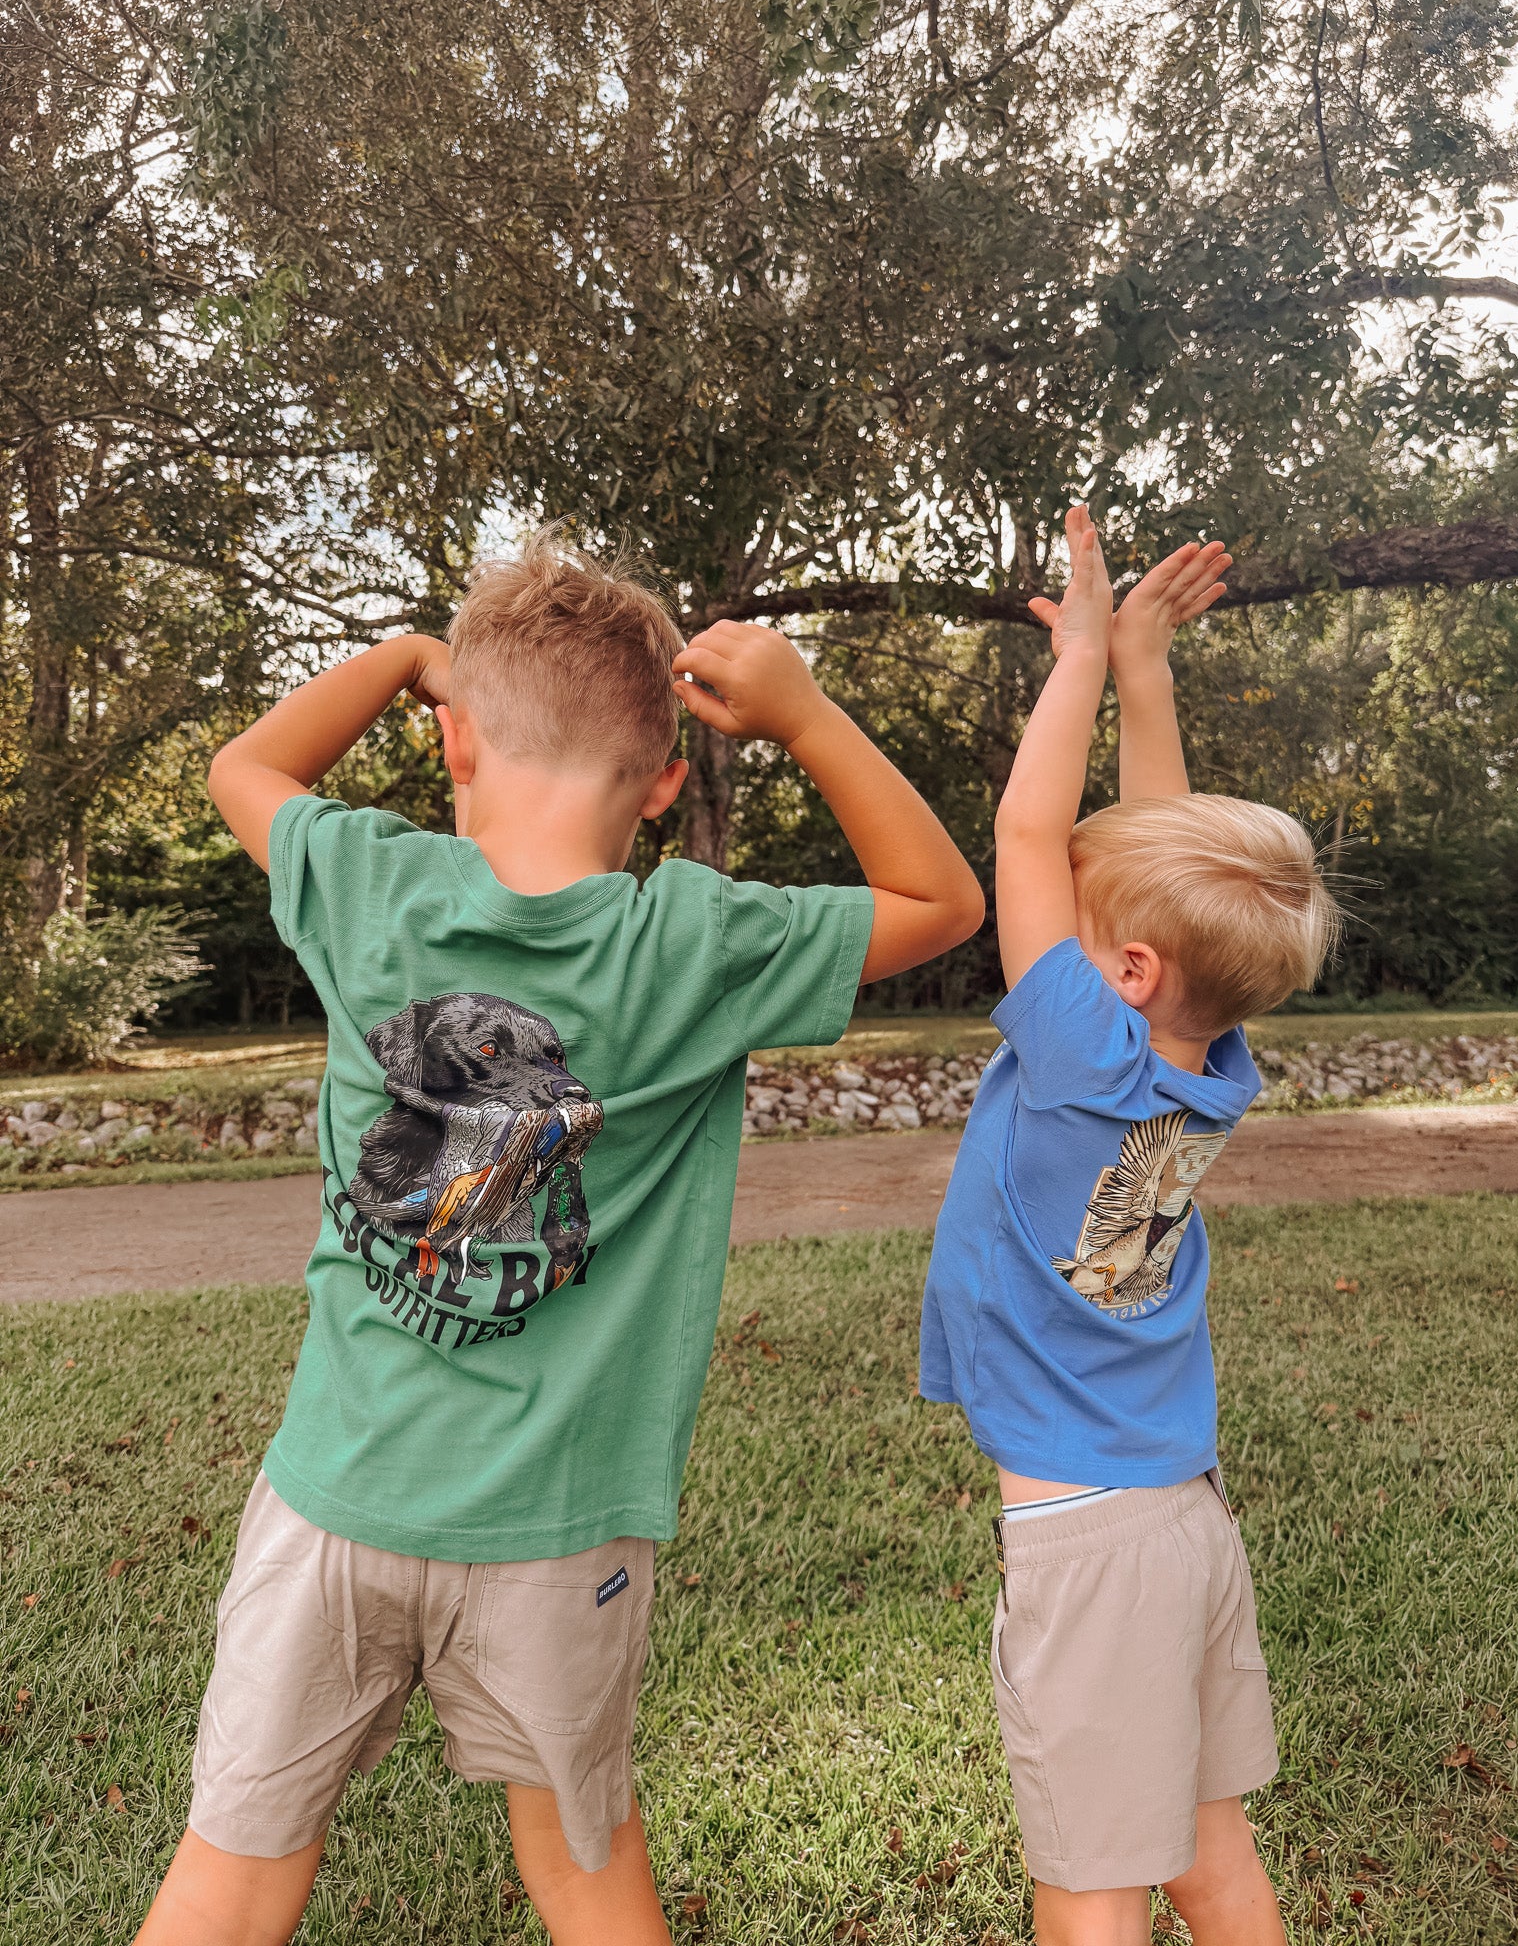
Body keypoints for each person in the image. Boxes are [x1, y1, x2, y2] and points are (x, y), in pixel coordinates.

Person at [135, 530, 984, 1946]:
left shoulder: (366, 885)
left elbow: (243, 770)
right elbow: (946, 902)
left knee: (230, 1868)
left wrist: (408, 659)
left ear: (457, 748)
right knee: (586, 1876)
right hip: (562, 1531)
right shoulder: (693, 947)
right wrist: (805, 714)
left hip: (339, 1493)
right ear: (662, 789)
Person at [920, 507, 1339, 1946]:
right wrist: (1152, 681)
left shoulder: (1078, 1061)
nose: (1062, 943)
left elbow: (1027, 828)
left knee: (1090, 1879)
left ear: (1129, 968)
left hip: (1091, 1548)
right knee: (1204, 1851)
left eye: (1085, 937)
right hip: (1177, 1516)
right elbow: (1154, 872)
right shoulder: (1203, 1071)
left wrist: (1088, 655)